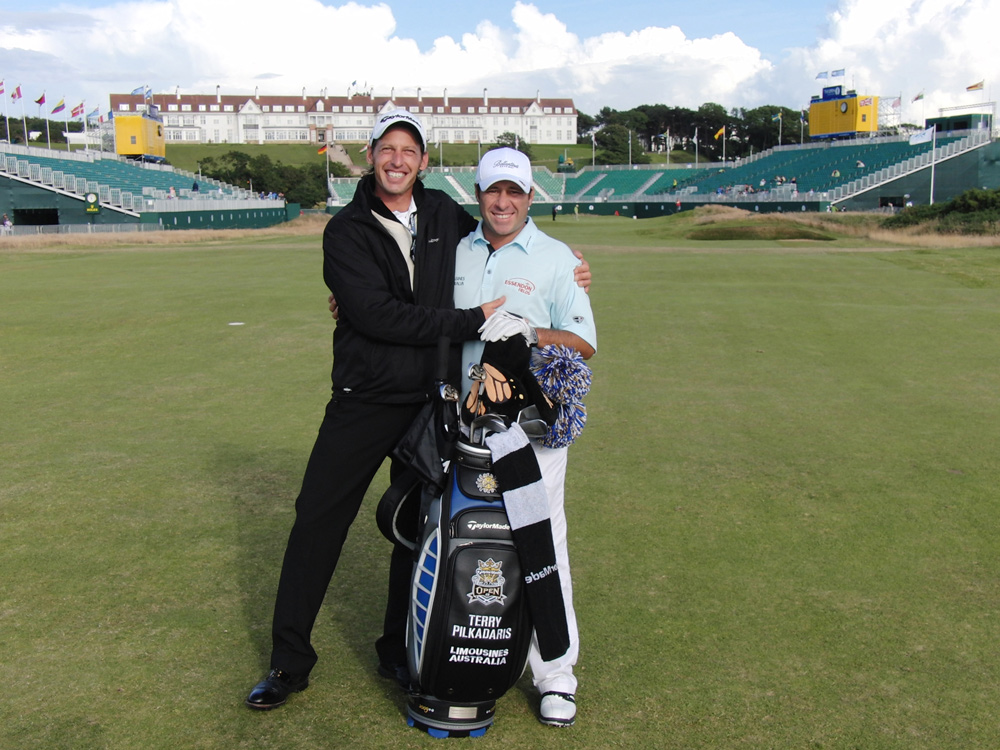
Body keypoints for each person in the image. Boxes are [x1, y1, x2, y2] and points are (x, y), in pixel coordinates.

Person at [246, 110, 589, 712]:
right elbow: (377, 315)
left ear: (424, 162)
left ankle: (397, 651)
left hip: (431, 404)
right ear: (373, 154)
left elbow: (503, 231)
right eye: (388, 149)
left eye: (409, 150)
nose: (398, 159)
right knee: (317, 522)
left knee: (415, 532)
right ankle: (288, 662)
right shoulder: (346, 230)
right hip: (363, 400)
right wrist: (469, 320)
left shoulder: (444, 216)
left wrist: (571, 267)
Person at [453, 147, 597, 727]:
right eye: (494, 191)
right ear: (479, 193)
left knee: (542, 543)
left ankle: (555, 672)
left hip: (528, 429)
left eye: (515, 191)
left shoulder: (558, 258)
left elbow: (585, 343)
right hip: (457, 419)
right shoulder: (456, 249)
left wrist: (532, 331)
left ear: (530, 196)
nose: (503, 202)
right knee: (452, 529)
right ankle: (451, 644)